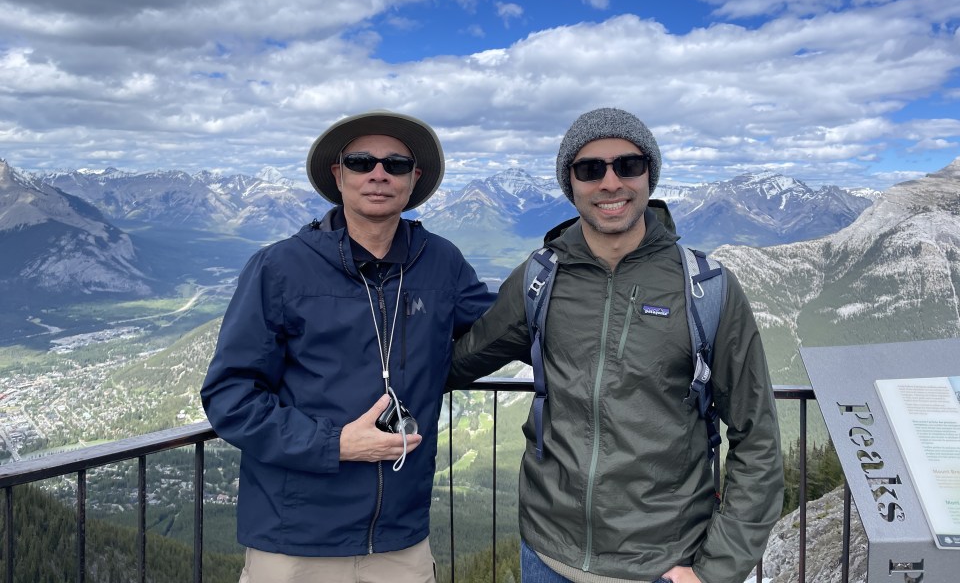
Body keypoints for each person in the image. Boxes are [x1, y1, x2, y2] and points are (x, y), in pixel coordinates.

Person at [447, 108, 783, 583]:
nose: (610, 183)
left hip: (661, 567)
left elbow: (758, 438)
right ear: (570, 183)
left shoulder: (706, 289)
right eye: (590, 169)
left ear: (650, 175)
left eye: (627, 165)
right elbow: (460, 360)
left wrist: (715, 571)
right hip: (546, 555)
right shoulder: (540, 278)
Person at [202, 110, 494, 583]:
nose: (378, 173)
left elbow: (507, 326)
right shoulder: (279, 268)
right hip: (295, 539)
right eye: (361, 162)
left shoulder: (441, 263)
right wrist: (335, 443)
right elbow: (229, 398)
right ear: (338, 175)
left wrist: (568, 267)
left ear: (413, 178)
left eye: (395, 164)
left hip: (400, 541)